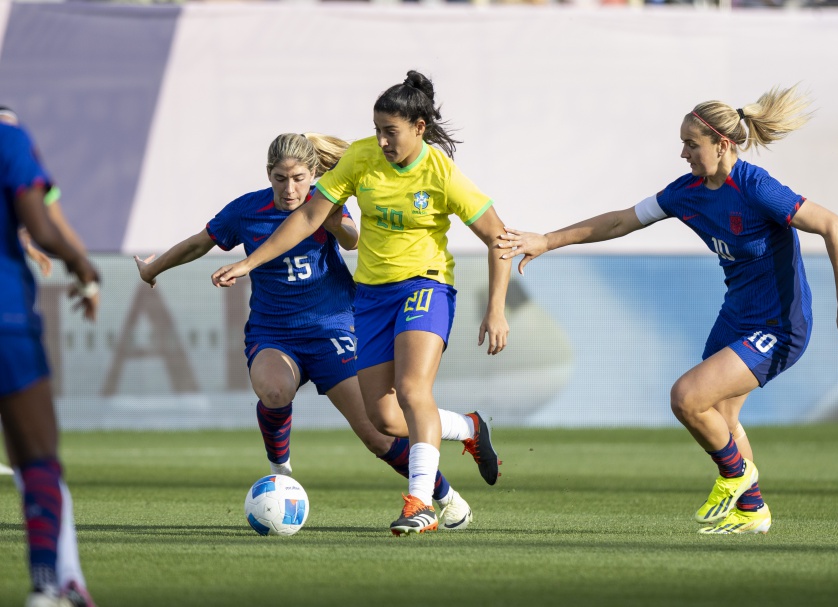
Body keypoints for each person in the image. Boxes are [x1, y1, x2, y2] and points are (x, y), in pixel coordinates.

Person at [498, 86, 838, 535]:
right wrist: (546, 240)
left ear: (723, 144)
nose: (683, 153)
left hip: (779, 326)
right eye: (682, 143)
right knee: (722, 420)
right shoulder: (686, 193)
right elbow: (619, 220)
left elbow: (836, 227)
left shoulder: (756, 187)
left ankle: (737, 477)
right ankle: (753, 511)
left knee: (687, 398)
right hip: (736, 318)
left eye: (691, 144)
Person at [212, 71, 511, 536]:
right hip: (370, 297)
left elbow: (498, 237)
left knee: (413, 392)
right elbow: (310, 215)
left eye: (390, 131)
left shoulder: (442, 174)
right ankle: (469, 428)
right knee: (387, 418)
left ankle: (419, 505)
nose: (382, 140)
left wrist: (495, 308)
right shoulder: (361, 159)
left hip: (425, 286)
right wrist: (250, 263)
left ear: (419, 126)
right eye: (377, 130)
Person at [136, 132, 475, 532]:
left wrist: (334, 222)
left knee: (378, 433)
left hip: (334, 327)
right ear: (269, 174)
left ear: (313, 172)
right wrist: (152, 270)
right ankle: (280, 467)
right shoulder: (246, 211)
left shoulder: (326, 200)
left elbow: (353, 241)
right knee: (274, 390)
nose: (290, 188)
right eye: (280, 178)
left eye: (298, 177)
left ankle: (446, 497)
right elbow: (198, 244)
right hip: (274, 331)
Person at [1, 118, 99, 605]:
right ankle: (51, 585)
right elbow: (39, 224)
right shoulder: (9, 138)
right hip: (6, 319)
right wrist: (82, 265)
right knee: (37, 456)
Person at [0, 106, 86, 278]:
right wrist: (83, 270)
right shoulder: (21, 158)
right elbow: (45, 232)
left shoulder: (33, 181)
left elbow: (61, 227)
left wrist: (83, 263)